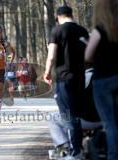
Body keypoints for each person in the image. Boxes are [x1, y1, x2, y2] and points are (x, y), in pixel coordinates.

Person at [43, 4, 89, 159]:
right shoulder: (83, 31)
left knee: (68, 116)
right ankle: (69, 151)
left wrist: (47, 72)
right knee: (75, 113)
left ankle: (75, 152)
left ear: (58, 16)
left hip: (63, 80)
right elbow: (89, 55)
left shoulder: (57, 31)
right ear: (71, 14)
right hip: (80, 79)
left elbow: (51, 55)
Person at [85, 0, 118, 159]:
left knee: (109, 123)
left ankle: (113, 155)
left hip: (103, 80)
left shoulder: (99, 30)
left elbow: (88, 56)